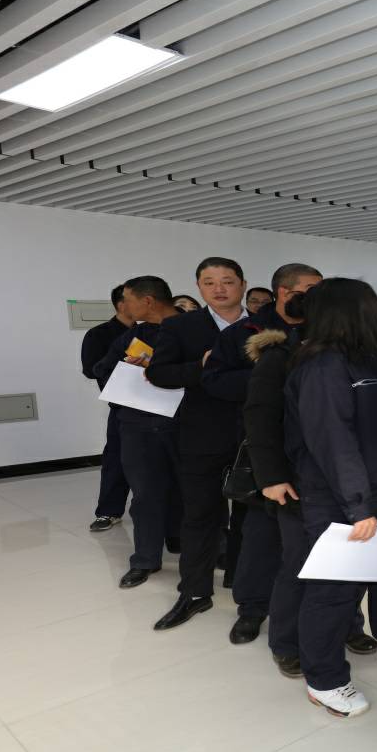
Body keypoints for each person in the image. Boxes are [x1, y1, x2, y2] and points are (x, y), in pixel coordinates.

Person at [284, 278, 377, 718]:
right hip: (342, 498)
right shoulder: (322, 365)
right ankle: (324, 679)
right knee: (334, 592)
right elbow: (333, 441)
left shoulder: (368, 358)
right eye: (372, 305)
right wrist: (358, 506)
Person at [242, 288, 377, 679]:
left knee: (343, 560)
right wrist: (271, 477)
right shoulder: (282, 354)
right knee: (301, 563)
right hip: (298, 479)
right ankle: (286, 642)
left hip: (341, 476)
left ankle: (346, 626)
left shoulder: (350, 354)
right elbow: (260, 419)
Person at [200, 264, 329, 646]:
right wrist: (274, 375)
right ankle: (252, 608)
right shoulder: (248, 333)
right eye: (310, 290)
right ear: (285, 292)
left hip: (316, 454)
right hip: (266, 449)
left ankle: (341, 619)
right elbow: (214, 381)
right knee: (260, 535)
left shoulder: (326, 332)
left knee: (318, 541)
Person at [146, 257, 249, 631]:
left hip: (257, 434)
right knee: (200, 515)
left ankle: (248, 592)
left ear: (242, 284)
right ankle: (194, 592)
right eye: (209, 282)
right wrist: (200, 366)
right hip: (201, 434)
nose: (219, 289)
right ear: (199, 287)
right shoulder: (181, 326)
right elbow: (158, 372)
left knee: (253, 518)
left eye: (227, 281)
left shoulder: (263, 326)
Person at [92, 277, 183, 589]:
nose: (124, 307)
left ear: (148, 301)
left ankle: (203, 547)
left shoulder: (194, 329)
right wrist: (130, 369)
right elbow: (102, 369)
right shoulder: (136, 334)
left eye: (128, 300)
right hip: (139, 426)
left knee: (193, 492)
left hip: (185, 425)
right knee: (145, 495)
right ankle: (145, 559)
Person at [81, 283, 134, 532]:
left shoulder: (153, 330)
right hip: (123, 406)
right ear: (121, 304)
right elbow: (91, 370)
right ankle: (108, 512)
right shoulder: (99, 334)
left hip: (159, 407)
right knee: (117, 459)